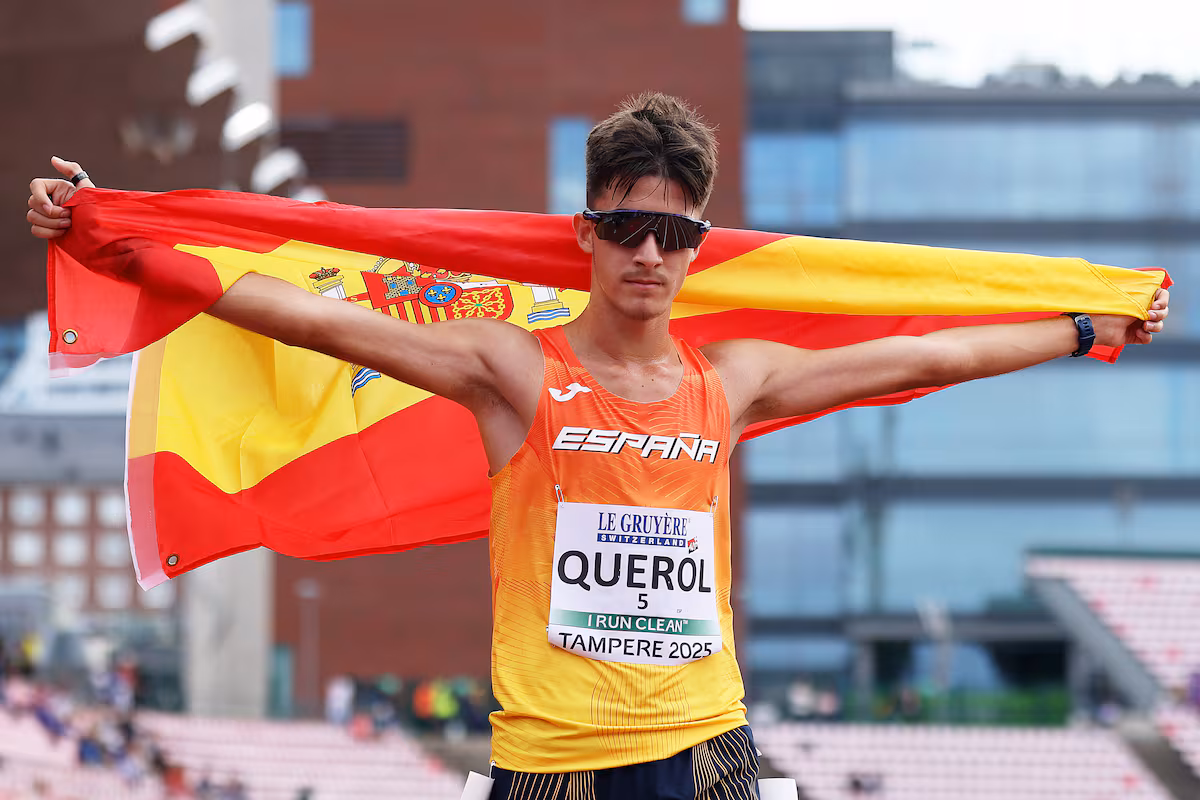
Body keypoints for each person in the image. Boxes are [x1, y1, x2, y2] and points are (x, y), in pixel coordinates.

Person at [27, 93, 1169, 800]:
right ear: (586, 236)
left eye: (673, 233)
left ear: (696, 247)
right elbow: (312, 316)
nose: (648, 253)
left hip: (706, 745)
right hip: (554, 763)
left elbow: (929, 358)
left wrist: (1077, 328)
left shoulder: (735, 378)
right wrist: (116, 244)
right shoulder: (509, 369)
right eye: (625, 227)